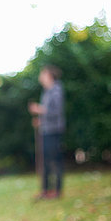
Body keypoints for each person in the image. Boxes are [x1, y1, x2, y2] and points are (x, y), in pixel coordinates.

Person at [28, 65, 65, 199]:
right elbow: (48, 113)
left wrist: (39, 110)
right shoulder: (47, 91)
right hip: (46, 130)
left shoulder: (56, 90)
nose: (40, 77)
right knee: (46, 161)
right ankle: (45, 190)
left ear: (49, 75)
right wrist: (40, 121)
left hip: (54, 131)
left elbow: (56, 112)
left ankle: (56, 190)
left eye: (42, 74)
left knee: (54, 160)